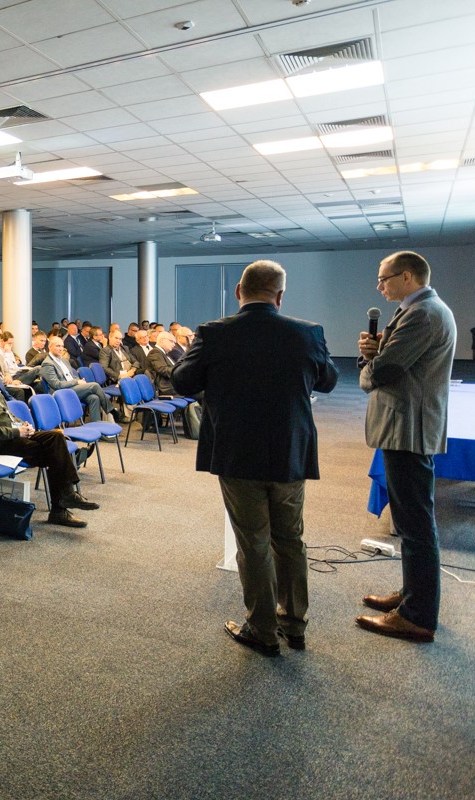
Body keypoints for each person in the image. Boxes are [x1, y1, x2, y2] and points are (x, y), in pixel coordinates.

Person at [172, 260, 338, 656]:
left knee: (253, 542)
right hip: (289, 451)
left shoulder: (213, 333)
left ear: (238, 293)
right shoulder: (308, 333)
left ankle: (262, 630)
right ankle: (294, 625)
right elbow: (329, 381)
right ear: (280, 296)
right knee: (290, 539)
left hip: (237, 452)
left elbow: (182, 381)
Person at [355, 250, 457, 644]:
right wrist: (376, 352)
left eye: (385, 278)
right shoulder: (419, 309)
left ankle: (416, 615)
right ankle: (414, 597)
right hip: (409, 423)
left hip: (408, 427)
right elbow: (395, 359)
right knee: (412, 521)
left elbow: (386, 372)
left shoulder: (423, 314)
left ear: (409, 276)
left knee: (414, 525)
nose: (379, 286)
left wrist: (369, 366)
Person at [0, 353, 94, 528]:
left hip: (15, 437)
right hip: (0, 446)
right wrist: (17, 431)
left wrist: (21, 424)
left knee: (56, 437)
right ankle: (62, 504)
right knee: (56, 454)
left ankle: (65, 499)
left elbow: (7, 416)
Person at [40, 336, 108, 421]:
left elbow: (71, 376)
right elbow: (57, 385)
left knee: (94, 398)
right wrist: (76, 382)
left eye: (62, 346)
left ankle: (97, 425)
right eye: (58, 346)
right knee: (95, 386)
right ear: (50, 347)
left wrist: (79, 380)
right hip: (62, 392)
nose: (61, 349)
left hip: (73, 388)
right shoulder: (47, 363)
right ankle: (111, 411)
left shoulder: (64, 360)